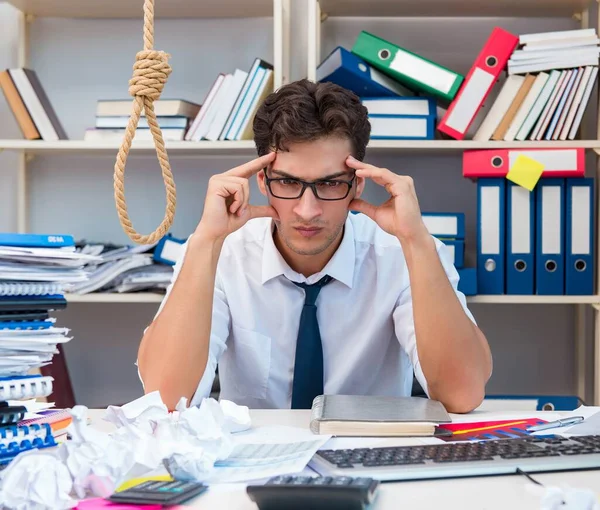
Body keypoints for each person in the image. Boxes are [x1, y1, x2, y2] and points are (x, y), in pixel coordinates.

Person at [137, 79, 492, 413]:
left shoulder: (404, 251)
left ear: (357, 185)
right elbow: (165, 400)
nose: (308, 211)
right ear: (261, 180)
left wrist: (416, 243)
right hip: (254, 460)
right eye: (289, 183)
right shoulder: (222, 251)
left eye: (332, 183)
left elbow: (461, 395)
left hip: (370, 455)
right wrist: (205, 242)